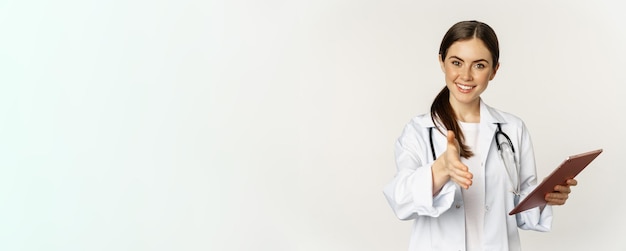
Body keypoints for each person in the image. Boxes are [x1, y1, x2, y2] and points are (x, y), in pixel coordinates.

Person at [383, 20, 577, 251]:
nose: (465, 75)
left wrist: (544, 196)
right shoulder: (419, 131)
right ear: (441, 62)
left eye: (479, 65)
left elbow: (522, 214)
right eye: (456, 62)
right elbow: (401, 202)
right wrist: (440, 169)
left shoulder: (513, 129)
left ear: (494, 70)